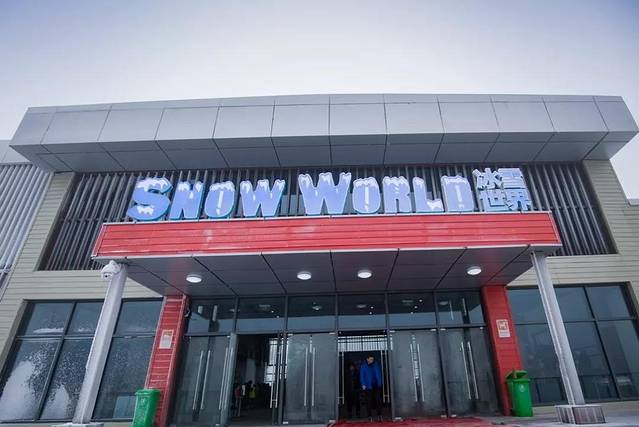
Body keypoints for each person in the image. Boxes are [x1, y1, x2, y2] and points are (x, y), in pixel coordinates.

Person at [359, 355, 383, 420]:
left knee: (378, 399)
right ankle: (369, 415)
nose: (372, 360)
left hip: (376, 385)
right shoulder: (363, 366)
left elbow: (379, 374)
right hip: (368, 385)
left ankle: (379, 414)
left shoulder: (376, 365)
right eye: (371, 359)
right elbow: (362, 376)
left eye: (372, 359)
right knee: (369, 400)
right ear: (367, 359)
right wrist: (363, 384)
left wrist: (380, 383)